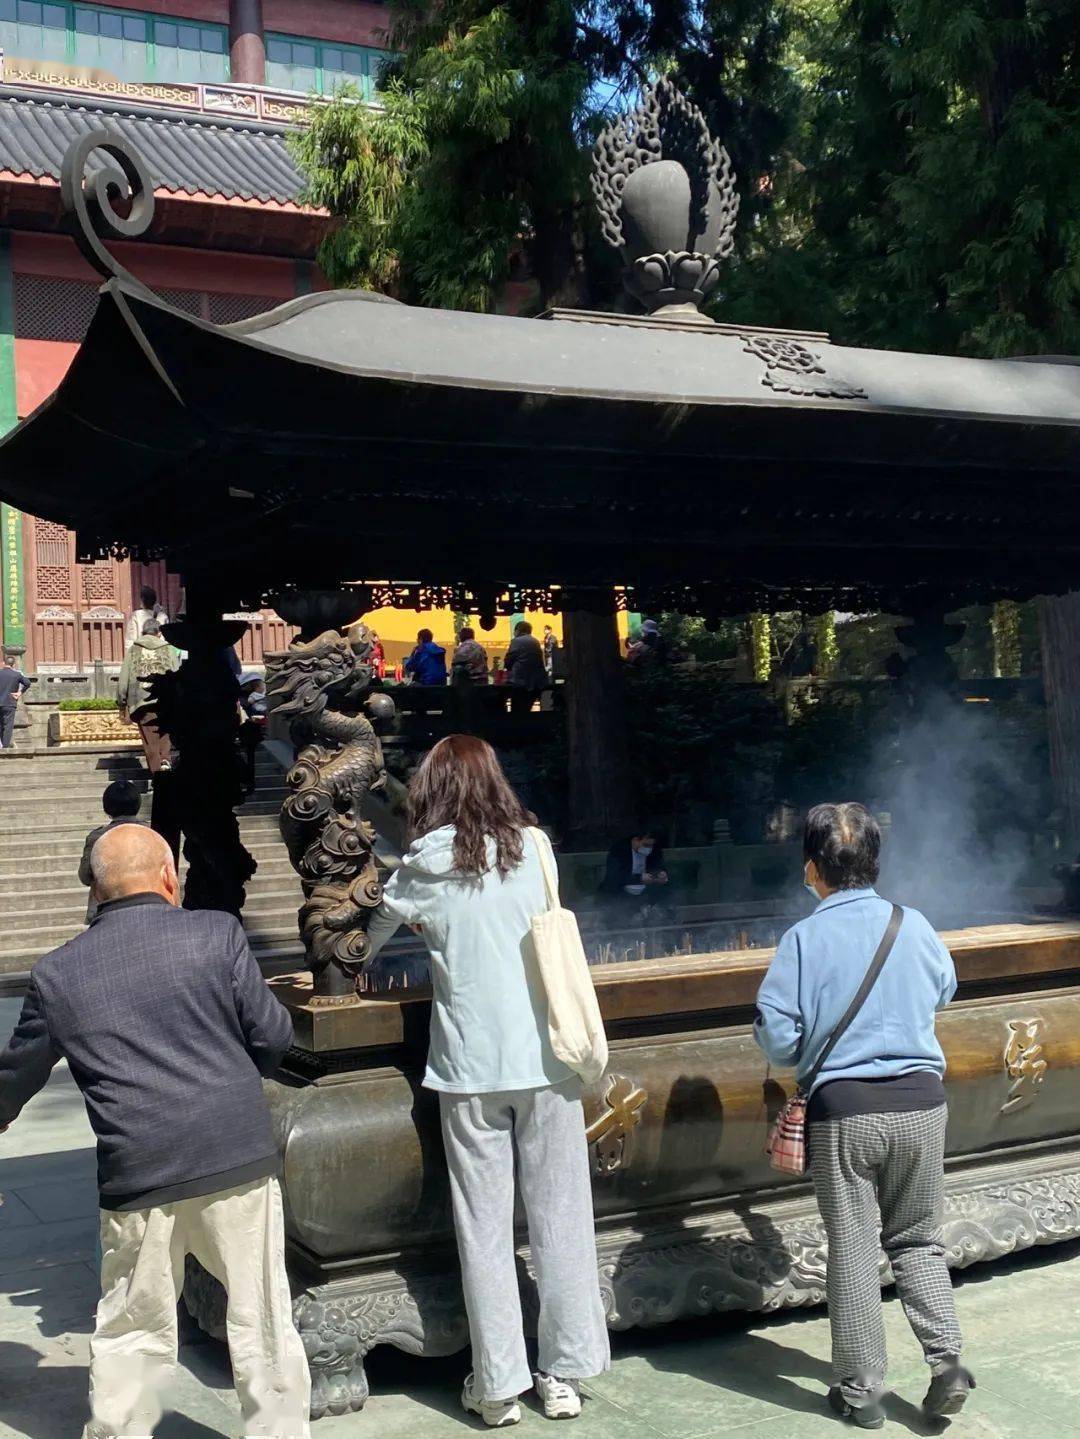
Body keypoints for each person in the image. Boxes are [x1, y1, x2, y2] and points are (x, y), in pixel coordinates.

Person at [0, 825, 308, 1439]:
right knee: (263, 1315)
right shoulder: (216, 934)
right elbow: (273, 1038)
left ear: (96, 891)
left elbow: (16, 1075)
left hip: (137, 1169)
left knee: (133, 1322)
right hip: (234, 1156)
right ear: (169, 876)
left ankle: (120, 1429)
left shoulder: (58, 973)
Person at [364, 735, 610, 1426]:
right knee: (563, 1218)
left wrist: (357, 964)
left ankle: (498, 1383)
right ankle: (563, 1373)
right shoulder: (535, 848)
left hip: (470, 1069)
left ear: (432, 790)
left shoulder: (422, 863)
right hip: (550, 1061)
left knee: (484, 1228)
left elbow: (377, 926)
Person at [754, 802, 973, 1429]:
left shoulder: (802, 939)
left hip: (845, 1112)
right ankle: (947, 1362)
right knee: (919, 1241)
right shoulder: (915, 924)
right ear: (874, 862)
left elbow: (777, 1035)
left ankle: (860, 1391)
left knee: (852, 1250)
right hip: (922, 1104)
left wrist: (804, 1052)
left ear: (811, 870)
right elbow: (944, 989)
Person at [117, 619, 180, 773]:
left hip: (142, 699)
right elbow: (178, 674)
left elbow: (123, 680)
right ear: (159, 633)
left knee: (150, 743)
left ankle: (158, 776)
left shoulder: (133, 649)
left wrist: (121, 703)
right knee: (165, 735)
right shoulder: (169, 649)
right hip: (166, 700)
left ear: (143, 633)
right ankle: (165, 762)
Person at [78, 778, 145, 922]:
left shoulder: (97, 837)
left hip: (105, 909)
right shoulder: (152, 833)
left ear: (106, 807)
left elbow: (85, 876)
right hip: (146, 904)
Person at [599, 830, 671, 908]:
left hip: (646, 893)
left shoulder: (655, 850)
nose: (649, 849)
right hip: (620, 894)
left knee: (665, 898)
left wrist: (662, 873)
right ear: (635, 840)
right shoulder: (619, 850)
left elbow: (659, 864)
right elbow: (614, 877)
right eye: (646, 845)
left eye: (651, 845)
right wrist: (639, 878)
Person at [503, 621, 547, 715]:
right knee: (527, 709)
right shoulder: (535, 641)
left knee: (517, 711)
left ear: (518, 630)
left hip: (520, 680)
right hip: (536, 682)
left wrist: (507, 668)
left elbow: (509, 660)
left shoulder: (516, 641)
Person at [0, 652, 34, 749]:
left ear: (3, 663)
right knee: (7, 725)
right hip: (9, 703)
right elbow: (27, 683)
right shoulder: (16, 675)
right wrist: (19, 693)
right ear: (13, 665)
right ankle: (5, 747)